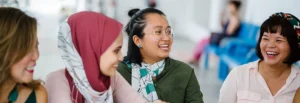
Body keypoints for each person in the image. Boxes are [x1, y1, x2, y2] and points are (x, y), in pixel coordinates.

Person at [45, 11, 148, 103]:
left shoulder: (110, 78)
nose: (121, 58)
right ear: (91, 49)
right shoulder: (57, 80)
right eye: (116, 51)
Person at [117, 8, 204, 103]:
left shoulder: (184, 72)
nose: (167, 38)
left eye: (168, 32)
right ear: (138, 40)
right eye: (158, 32)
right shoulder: (118, 72)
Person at [219, 12, 300, 103]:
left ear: (294, 45)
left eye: (279, 40)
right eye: (265, 38)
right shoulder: (238, 76)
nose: (270, 45)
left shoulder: (298, 81)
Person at [0, 7, 47, 103]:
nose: (36, 56)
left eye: (36, 46)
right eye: (27, 48)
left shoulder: (37, 95)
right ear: (3, 50)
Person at [189, 0, 242, 65]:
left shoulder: (234, 19)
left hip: (225, 41)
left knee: (203, 41)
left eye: (231, 6)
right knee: (203, 41)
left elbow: (229, 32)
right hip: (223, 39)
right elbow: (223, 28)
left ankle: (195, 59)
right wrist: (222, 17)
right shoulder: (231, 18)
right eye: (229, 6)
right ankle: (196, 59)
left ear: (235, 8)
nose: (229, 8)